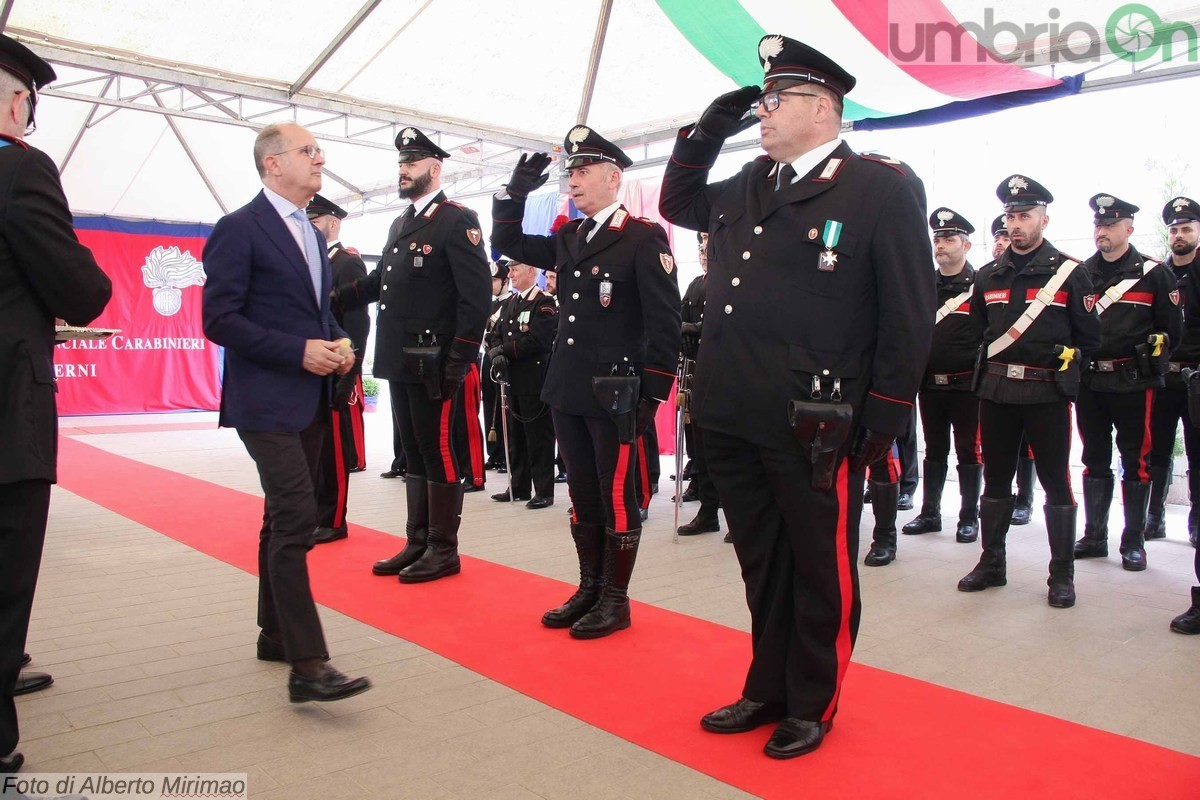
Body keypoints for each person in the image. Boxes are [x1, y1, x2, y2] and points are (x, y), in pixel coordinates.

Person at [660, 35, 935, 758]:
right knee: (761, 562)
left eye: (775, 100)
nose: (764, 113)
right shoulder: (751, 179)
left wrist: (885, 412)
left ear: (822, 106)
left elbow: (908, 311)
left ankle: (812, 701)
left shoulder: (879, 186)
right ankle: (766, 686)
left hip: (816, 417)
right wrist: (708, 130)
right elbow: (679, 199)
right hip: (733, 409)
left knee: (820, 565)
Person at [202, 122, 370, 703]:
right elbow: (219, 320)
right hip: (264, 399)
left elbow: (316, 314)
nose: (319, 159)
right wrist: (297, 350)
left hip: (310, 397)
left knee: (281, 517)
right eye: (308, 151)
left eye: (319, 150)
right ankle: (308, 663)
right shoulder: (239, 229)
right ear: (273, 164)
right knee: (299, 516)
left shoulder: (311, 233)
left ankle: (275, 634)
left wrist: (338, 342)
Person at [492, 125, 681, 640]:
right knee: (581, 493)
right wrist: (514, 194)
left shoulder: (642, 237)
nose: (572, 180)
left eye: (582, 171)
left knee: (616, 494)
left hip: (616, 393)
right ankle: (589, 586)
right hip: (568, 389)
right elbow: (506, 241)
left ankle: (615, 600)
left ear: (613, 177)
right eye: (569, 171)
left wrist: (654, 393)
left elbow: (664, 323)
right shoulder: (570, 236)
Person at [0, 35, 112, 774]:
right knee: (5, 571)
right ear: (16, 98)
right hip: (7, 412)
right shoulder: (17, 168)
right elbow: (82, 290)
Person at [340, 127, 491, 584]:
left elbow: (476, 298)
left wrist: (459, 359)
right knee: (414, 454)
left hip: (435, 361)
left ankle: (444, 548)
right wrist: (331, 296)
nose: (402, 170)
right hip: (401, 359)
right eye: (400, 163)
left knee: (438, 449)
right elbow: (378, 284)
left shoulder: (455, 219)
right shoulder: (401, 222)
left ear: (435, 168)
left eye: (411, 163)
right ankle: (417, 540)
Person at [958, 175, 1102, 608]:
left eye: (1025, 215)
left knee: (1056, 482)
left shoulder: (1070, 274)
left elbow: (1089, 338)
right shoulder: (988, 275)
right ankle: (992, 563)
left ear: (1044, 218)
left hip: (1046, 396)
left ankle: (1062, 576)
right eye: (1011, 216)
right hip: (998, 393)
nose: (1016, 224)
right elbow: (981, 330)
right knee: (997, 480)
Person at [1073, 194, 1180, 571]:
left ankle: (1133, 541)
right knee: (1093, 457)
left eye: (1110, 225)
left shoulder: (1154, 274)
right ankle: (1094, 535)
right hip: (1090, 381)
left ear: (1129, 229)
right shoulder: (1083, 273)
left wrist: (1156, 354)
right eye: (1098, 225)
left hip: (1133, 383)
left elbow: (1172, 330)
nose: (1101, 231)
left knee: (1136, 461)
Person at [901, 208, 983, 544]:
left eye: (949, 239)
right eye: (937, 238)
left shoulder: (980, 286)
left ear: (966, 245)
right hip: (930, 385)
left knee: (968, 451)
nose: (941, 245)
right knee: (933, 450)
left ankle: (968, 516)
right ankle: (930, 512)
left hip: (967, 385)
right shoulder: (922, 285)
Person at [307, 193, 370, 544]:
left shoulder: (346, 264)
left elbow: (358, 323)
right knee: (314, 449)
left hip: (335, 364)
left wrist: (350, 372)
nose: (310, 227)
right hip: (311, 366)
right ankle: (315, 512)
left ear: (332, 223)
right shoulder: (310, 260)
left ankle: (333, 519)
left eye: (315, 222)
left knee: (332, 451)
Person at [1147, 197, 1200, 547]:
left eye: (1186, 228)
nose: (1178, 235)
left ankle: (1196, 521)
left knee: (1197, 453)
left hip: (1197, 378)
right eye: (1174, 229)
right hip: (1164, 375)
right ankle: (1154, 516)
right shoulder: (1160, 274)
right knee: (1157, 451)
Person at [487, 259, 558, 508]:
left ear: (531, 271)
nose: (511, 274)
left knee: (538, 437)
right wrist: (496, 350)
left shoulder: (544, 303)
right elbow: (496, 334)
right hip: (512, 379)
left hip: (534, 379)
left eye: (515, 270)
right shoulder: (510, 303)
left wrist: (503, 351)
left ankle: (544, 490)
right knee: (515, 436)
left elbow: (538, 340)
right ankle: (518, 486)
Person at [991, 215, 1040, 525]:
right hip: (998, 381)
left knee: (1029, 445)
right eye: (999, 235)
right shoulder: (987, 277)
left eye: (1005, 236)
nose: (1001, 241)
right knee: (1000, 451)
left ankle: (1025, 498)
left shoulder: (1051, 274)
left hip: (1037, 381)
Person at [677, 231, 723, 537]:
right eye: (701, 248)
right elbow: (678, 317)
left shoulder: (728, 282)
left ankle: (734, 513)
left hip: (722, 375)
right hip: (696, 373)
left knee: (724, 450)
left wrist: (696, 328)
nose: (704, 252)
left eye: (709, 248)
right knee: (701, 447)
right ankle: (708, 512)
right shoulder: (696, 284)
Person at [482, 261, 513, 473]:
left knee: (504, 407)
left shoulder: (511, 302)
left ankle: (506, 454)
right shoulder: (487, 303)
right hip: (487, 358)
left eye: (494, 280)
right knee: (489, 406)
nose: (491, 284)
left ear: (505, 281)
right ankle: (493, 453)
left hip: (503, 358)